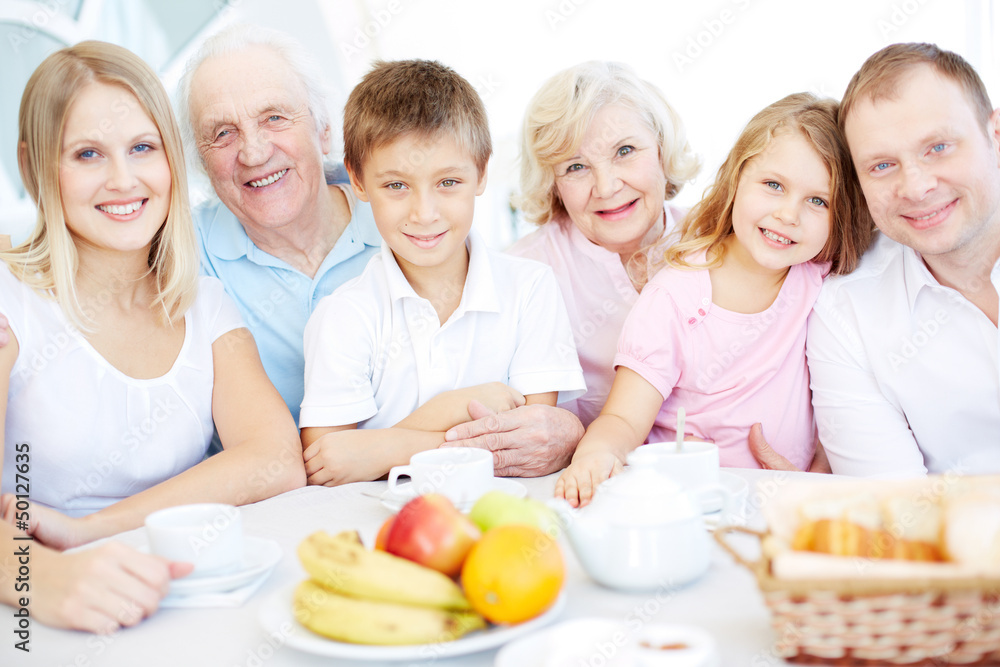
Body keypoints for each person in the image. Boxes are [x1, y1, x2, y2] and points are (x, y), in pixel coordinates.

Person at [0, 42, 303, 631]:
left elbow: (275, 461)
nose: (123, 180)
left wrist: (89, 529)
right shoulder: (9, 302)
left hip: (172, 598)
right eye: (87, 154)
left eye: (142, 148)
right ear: (34, 167)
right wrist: (40, 576)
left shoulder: (204, 303)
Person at [556, 92, 874, 506]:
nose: (788, 214)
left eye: (818, 200)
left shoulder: (821, 281)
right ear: (736, 181)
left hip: (786, 502)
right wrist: (597, 455)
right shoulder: (675, 296)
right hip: (685, 502)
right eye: (773, 185)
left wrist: (820, 470)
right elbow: (622, 418)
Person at [299, 60, 586, 486]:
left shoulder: (530, 288)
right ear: (358, 181)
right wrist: (459, 405)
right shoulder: (342, 315)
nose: (424, 213)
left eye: (448, 182)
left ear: (482, 173)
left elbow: (526, 448)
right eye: (396, 185)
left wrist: (381, 448)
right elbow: (327, 466)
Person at [752, 43, 1000, 477]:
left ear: (994, 137)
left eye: (938, 147)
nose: (916, 186)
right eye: (882, 166)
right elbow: (893, 509)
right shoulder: (845, 311)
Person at [444, 61, 699, 474]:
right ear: (553, 184)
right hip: (586, 486)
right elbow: (498, 423)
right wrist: (581, 439)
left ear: (662, 149)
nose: (607, 186)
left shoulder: (720, 239)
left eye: (625, 151)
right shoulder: (521, 273)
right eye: (576, 167)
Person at [176, 24, 381, 426]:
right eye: (223, 133)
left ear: (323, 130)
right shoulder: (179, 255)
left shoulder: (399, 217)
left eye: (274, 117)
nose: (253, 153)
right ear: (202, 163)